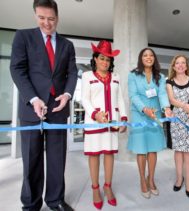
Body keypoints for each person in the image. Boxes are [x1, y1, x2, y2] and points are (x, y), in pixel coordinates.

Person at [10, 0, 78, 210]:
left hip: (58, 109)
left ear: (57, 17)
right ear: (35, 15)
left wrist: (67, 95)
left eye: (51, 19)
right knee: (31, 159)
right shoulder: (23, 37)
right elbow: (17, 70)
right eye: (41, 18)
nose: (46, 23)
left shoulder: (67, 45)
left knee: (57, 159)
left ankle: (55, 200)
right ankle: (31, 204)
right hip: (32, 108)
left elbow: (72, 73)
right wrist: (33, 98)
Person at [81, 40, 127, 209]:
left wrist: (123, 118)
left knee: (109, 154)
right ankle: (95, 188)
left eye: (108, 60)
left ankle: (107, 186)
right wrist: (95, 114)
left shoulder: (116, 77)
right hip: (94, 123)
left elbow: (120, 98)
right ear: (95, 59)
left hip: (111, 123)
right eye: (102, 58)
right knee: (94, 155)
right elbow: (84, 99)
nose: (105, 62)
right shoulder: (87, 76)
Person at [127, 48, 172, 199]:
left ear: (154, 59)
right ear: (141, 58)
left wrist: (166, 108)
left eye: (151, 55)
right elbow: (133, 95)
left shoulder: (160, 76)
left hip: (155, 114)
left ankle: (151, 179)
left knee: (152, 149)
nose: (148, 57)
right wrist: (144, 109)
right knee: (141, 149)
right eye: (145, 55)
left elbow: (162, 94)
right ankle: (142, 180)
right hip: (140, 114)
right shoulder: (133, 75)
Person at [166, 55, 189, 198]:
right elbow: (172, 100)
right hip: (175, 120)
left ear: (186, 66)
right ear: (174, 67)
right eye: (177, 63)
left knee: (188, 153)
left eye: (183, 63)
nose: (180, 65)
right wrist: (185, 106)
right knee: (178, 152)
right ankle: (180, 179)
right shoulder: (169, 82)